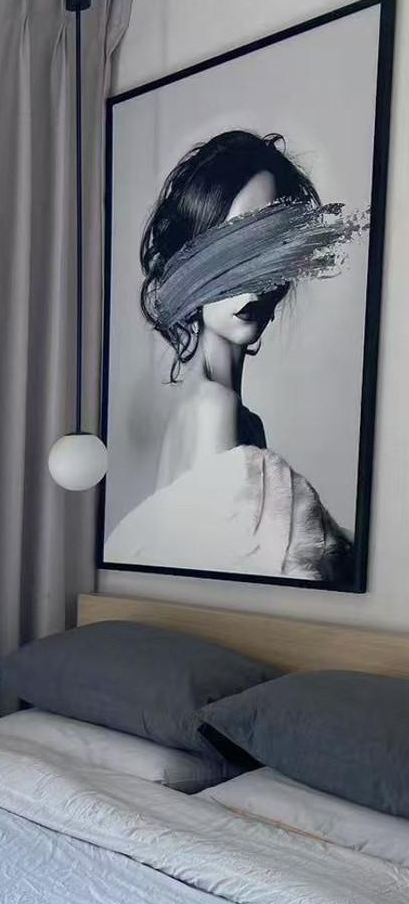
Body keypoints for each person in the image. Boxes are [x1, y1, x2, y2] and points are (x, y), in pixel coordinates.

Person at [104, 130, 354, 586]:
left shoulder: (216, 412)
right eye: (233, 249)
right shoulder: (213, 410)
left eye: (272, 250)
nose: (255, 283)